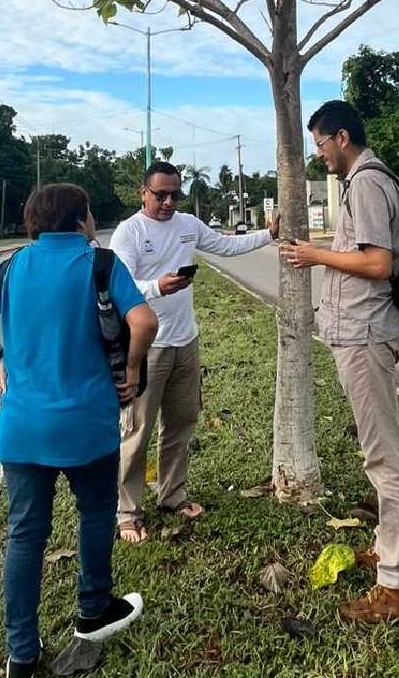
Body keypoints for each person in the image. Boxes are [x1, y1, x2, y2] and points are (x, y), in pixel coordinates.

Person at [0, 183, 158, 677]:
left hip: (21, 428)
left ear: (33, 222)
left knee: (24, 534)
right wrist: (129, 368)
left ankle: (20, 652)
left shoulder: (12, 267)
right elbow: (143, 322)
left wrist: (1, 356)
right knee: (96, 513)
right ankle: (93, 608)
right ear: (83, 219)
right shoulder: (99, 264)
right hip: (87, 423)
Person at [279, 100, 399, 623]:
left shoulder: (364, 181)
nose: (319, 155)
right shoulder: (367, 179)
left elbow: (378, 263)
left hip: (365, 336)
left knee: (384, 459)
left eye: (320, 144)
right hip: (360, 333)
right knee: (379, 451)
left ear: (341, 137)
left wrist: (314, 255)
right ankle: (389, 552)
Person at [109, 161, 279, 542]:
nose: (168, 202)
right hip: (145, 345)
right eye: (160, 195)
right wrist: (156, 288)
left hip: (186, 341)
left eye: (175, 195)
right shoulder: (129, 232)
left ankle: (172, 495)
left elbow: (227, 245)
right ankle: (127, 511)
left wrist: (267, 235)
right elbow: (120, 284)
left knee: (182, 423)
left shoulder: (188, 225)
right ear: (144, 193)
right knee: (136, 431)